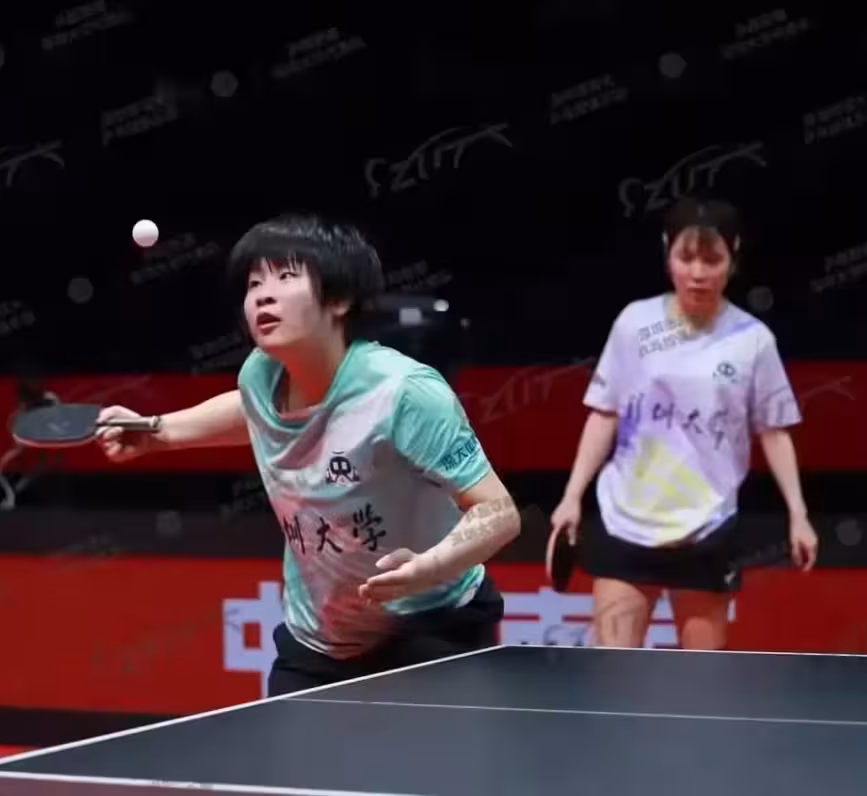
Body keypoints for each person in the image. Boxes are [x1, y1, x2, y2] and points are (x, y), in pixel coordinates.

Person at [96, 214, 520, 695]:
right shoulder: (261, 374)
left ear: (338, 300)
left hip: (431, 625)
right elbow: (250, 407)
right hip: (317, 641)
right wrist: (157, 431)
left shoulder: (403, 394)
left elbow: (498, 512)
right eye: (254, 283)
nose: (263, 295)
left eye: (285, 276)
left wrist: (430, 566)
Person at [549, 196, 819, 650]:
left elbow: (773, 431)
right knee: (611, 676)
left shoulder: (752, 340)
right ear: (667, 251)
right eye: (686, 257)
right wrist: (571, 496)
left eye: (712, 260)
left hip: (707, 526)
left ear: (733, 255)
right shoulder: (635, 324)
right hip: (625, 521)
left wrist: (799, 515)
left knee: (701, 681)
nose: (697, 273)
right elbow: (604, 412)